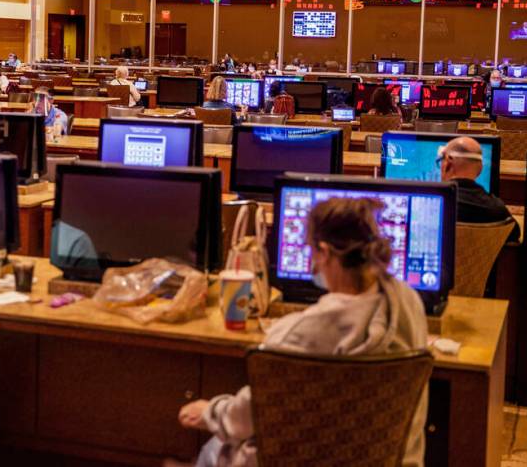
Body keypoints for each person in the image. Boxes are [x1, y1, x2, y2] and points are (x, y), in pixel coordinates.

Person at [174, 197, 429, 467]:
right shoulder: (408, 302)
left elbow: (252, 413)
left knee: (213, 449)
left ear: (323, 251)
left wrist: (212, 411)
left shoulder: (302, 331)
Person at [438, 136, 520, 241]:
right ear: (480, 169)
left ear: (448, 163)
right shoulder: (496, 209)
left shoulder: (432, 207)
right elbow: (514, 235)